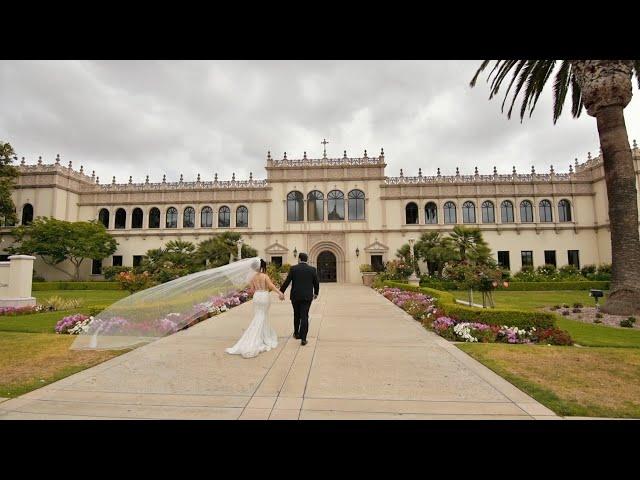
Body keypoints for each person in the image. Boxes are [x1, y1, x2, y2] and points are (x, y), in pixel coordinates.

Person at [225, 258, 284, 358]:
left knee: (259, 316)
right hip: (264, 296)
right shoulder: (264, 276)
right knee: (262, 316)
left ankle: (262, 336)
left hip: (257, 297)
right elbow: (271, 286)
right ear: (261, 266)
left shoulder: (252, 277)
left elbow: (251, 291)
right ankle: (257, 337)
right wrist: (280, 293)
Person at [279, 252, 319, 345]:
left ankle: (296, 334)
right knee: (305, 316)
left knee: (296, 315)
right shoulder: (312, 269)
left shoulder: (293, 269)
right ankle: (303, 338)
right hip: (307, 297)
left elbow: (287, 281)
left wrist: (281, 291)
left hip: (295, 296)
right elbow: (316, 283)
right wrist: (316, 293)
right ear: (307, 260)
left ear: (299, 259)